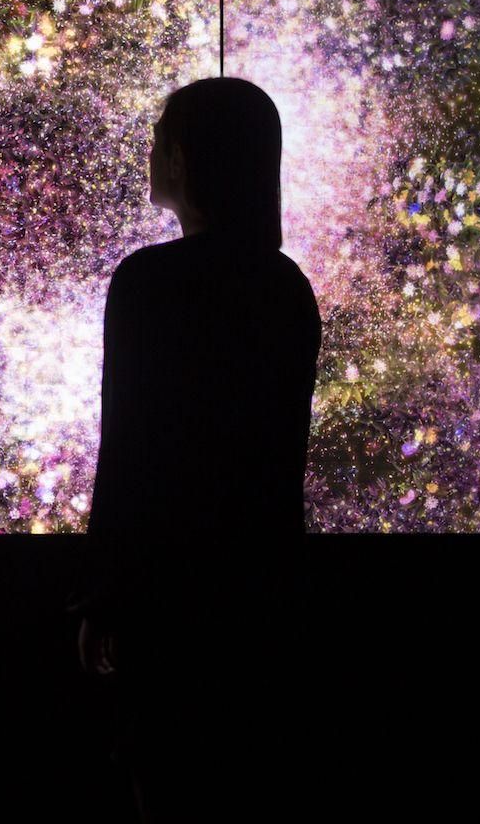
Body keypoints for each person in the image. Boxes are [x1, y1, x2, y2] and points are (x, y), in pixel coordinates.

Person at [66, 78, 322, 821]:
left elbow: (130, 451)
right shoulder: (286, 287)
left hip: (168, 595)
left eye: (158, 139)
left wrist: (105, 594)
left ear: (184, 157)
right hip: (262, 587)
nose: (149, 153)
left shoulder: (150, 283)